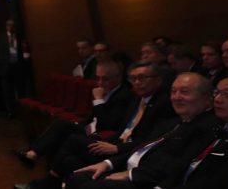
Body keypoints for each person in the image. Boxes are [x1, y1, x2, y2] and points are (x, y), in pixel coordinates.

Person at [14, 61, 177, 189]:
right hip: (114, 144)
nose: (136, 82)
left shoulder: (163, 103)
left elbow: (153, 140)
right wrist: (110, 143)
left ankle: (44, 181)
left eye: (141, 78)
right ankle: (47, 183)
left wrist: (116, 148)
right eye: (133, 79)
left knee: (71, 139)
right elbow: (122, 131)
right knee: (69, 160)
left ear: (158, 79)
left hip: (130, 153)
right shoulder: (138, 100)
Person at [63, 73, 219, 189]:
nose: (176, 97)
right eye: (173, 92)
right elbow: (143, 147)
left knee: (89, 186)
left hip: (148, 180)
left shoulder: (207, 126)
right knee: (76, 173)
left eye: (184, 92)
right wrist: (107, 164)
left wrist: (131, 175)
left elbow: (180, 165)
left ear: (207, 98)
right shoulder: (172, 122)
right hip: (131, 167)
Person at [15, 60, 130, 170]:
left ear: (118, 78)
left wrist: (99, 100)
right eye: (97, 78)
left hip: (100, 137)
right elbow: (92, 118)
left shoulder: (123, 96)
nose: (100, 82)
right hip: (89, 129)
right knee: (57, 139)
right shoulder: (105, 91)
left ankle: (33, 156)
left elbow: (107, 124)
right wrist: (78, 124)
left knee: (62, 126)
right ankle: (37, 163)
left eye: (105, 79)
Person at [171, 75, 228, 189]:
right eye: (217, 93)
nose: (217, 99)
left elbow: (220, 181)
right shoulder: (209, 125)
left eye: (227, 94)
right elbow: (181, 164)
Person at [0, 19, 28, 118]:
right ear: (6, 26)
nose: (11, 27)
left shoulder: (21, 37)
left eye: (13, 25)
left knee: (21, 90)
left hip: (18, 67)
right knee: (8, 92)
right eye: (9, 25)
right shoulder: (1, 38)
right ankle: (11, 112)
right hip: (6, 68)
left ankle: (23, 111)